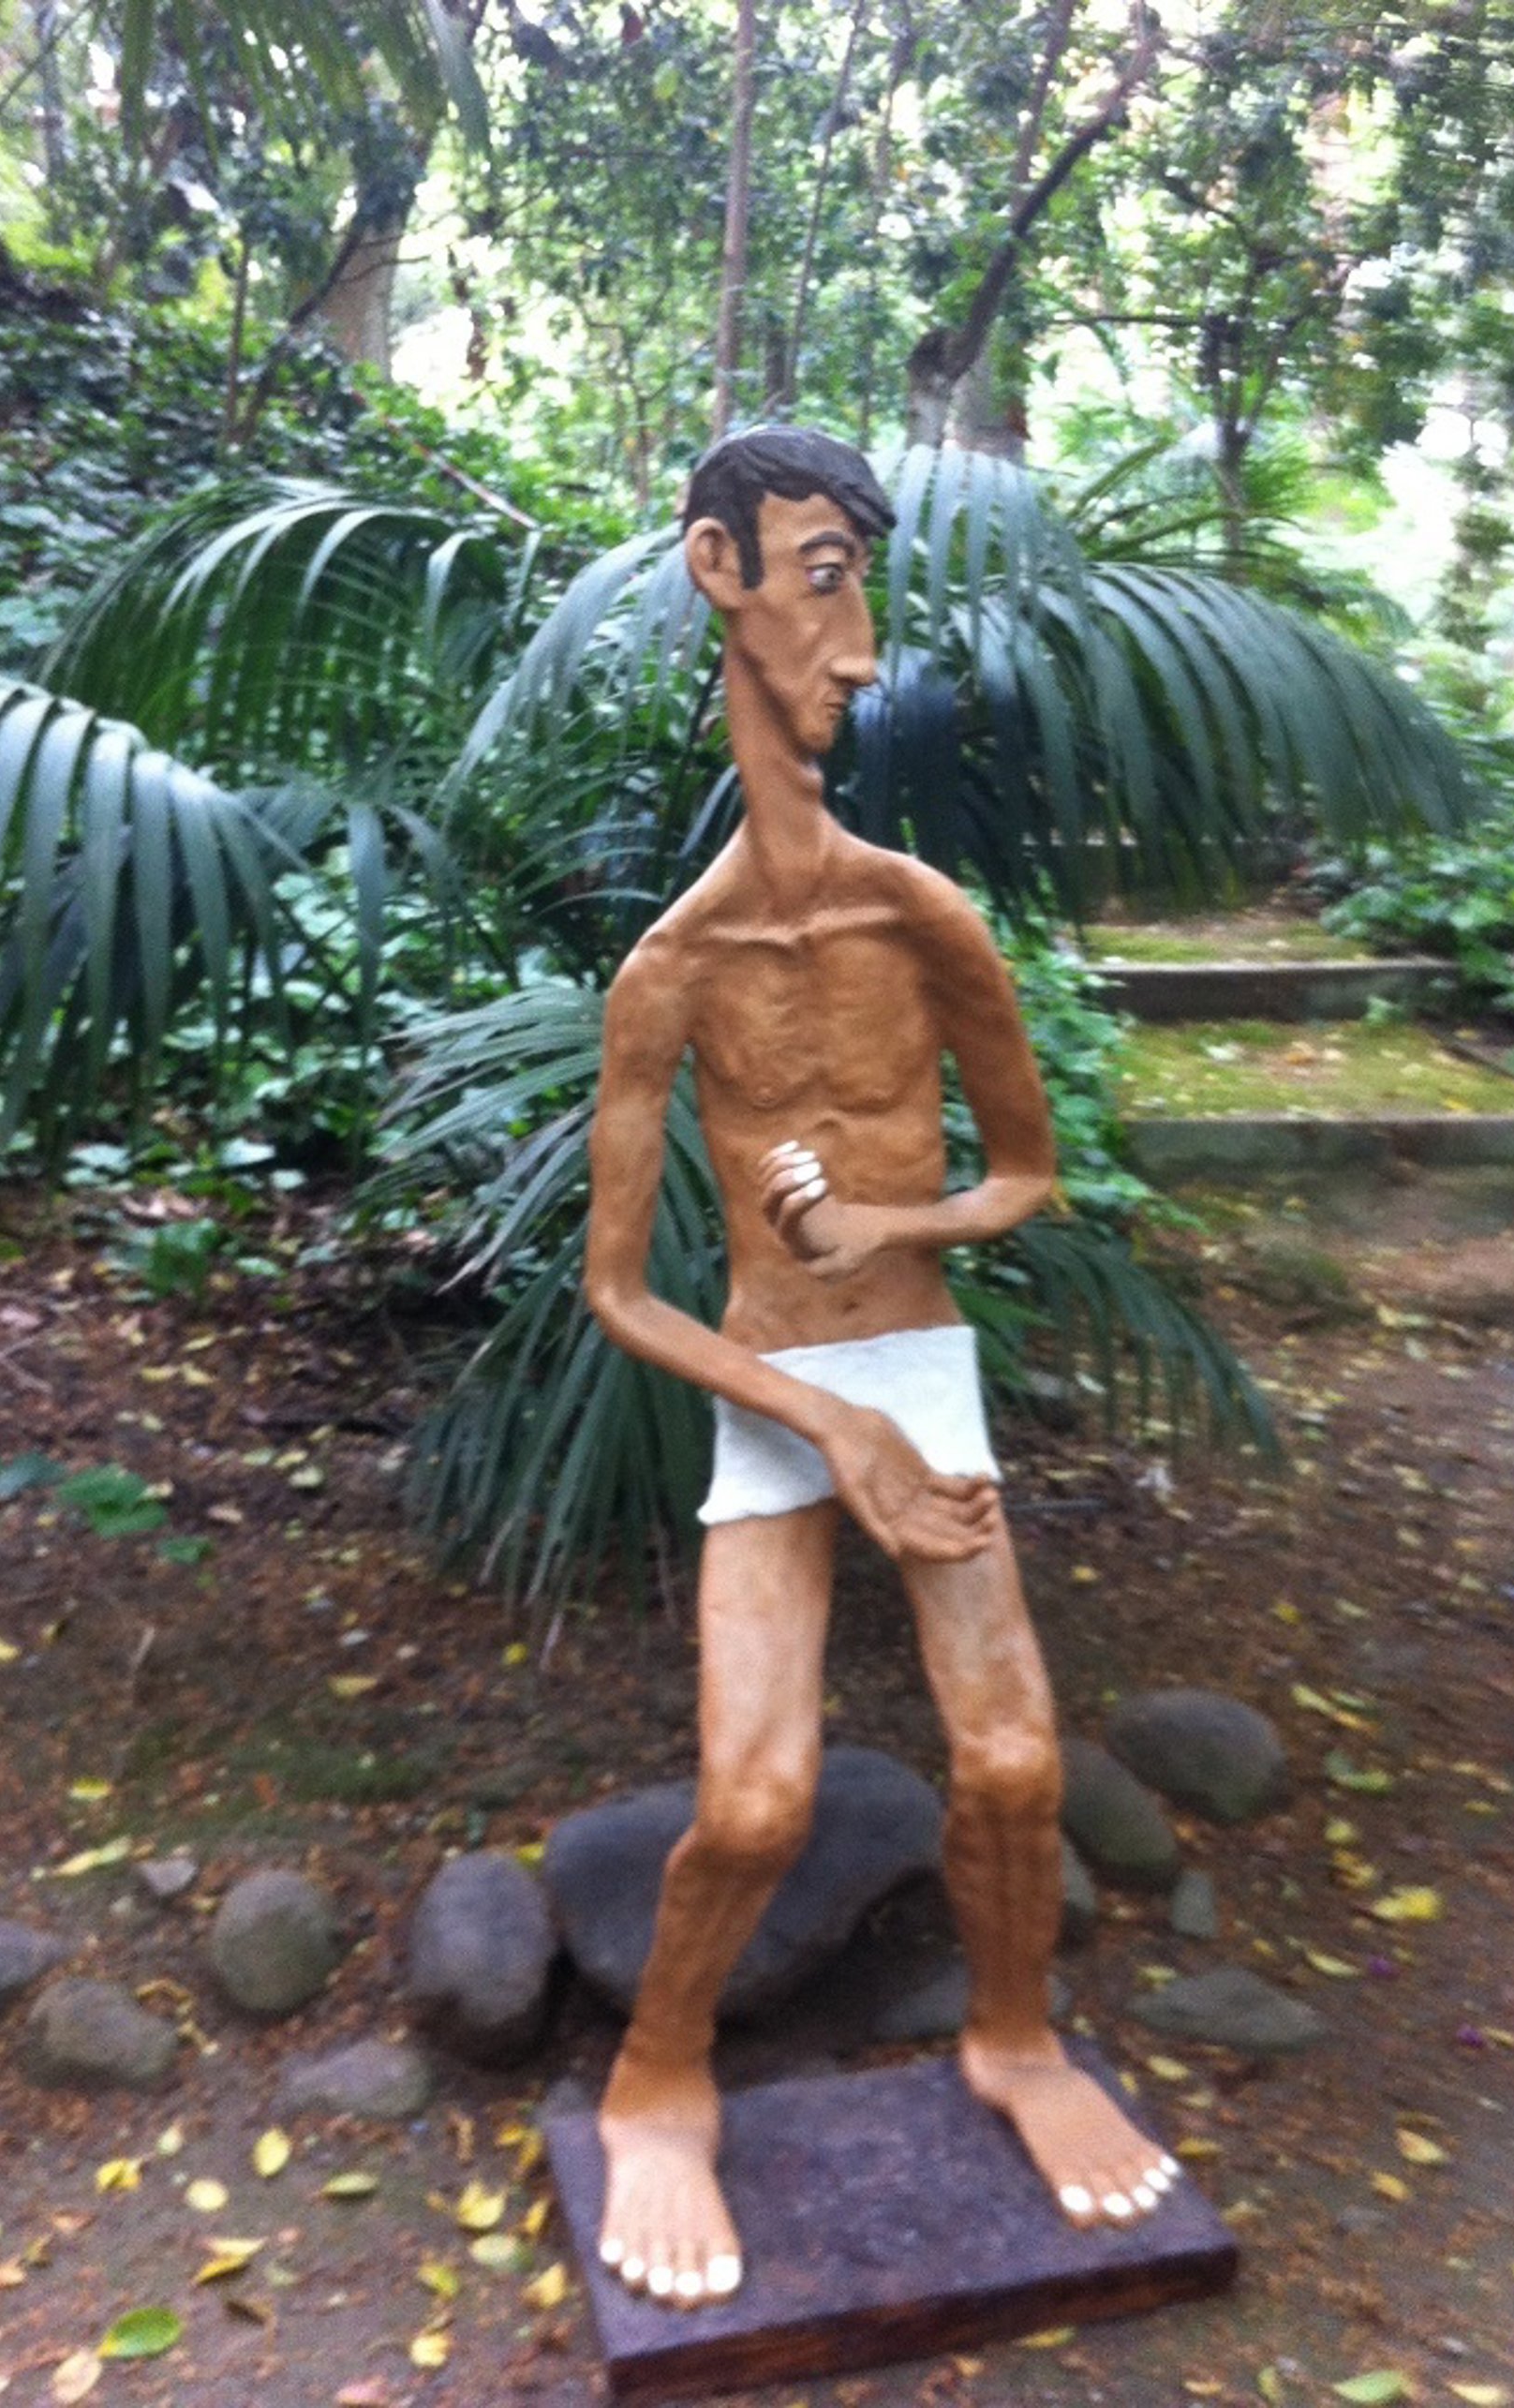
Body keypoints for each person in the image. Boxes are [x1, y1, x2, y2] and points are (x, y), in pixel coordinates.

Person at [582, 425, 1177, 2310]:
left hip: (914, 1362)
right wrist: (823, 1417)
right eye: (825, 579)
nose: (857, 645)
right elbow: (623, 1294)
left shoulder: (925, 918)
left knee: (1011, 1760)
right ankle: (656, 2073)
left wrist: (886, 1233)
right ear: (722, 574)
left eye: (865, 587)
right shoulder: (671, 971)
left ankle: (1013, 2034)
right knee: (757, 1801)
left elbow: (1027, 1174)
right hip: (784, 1390)